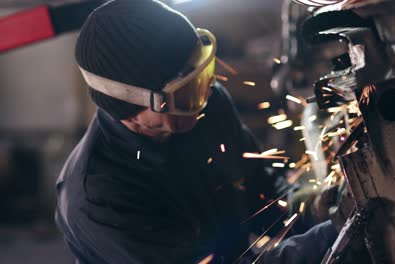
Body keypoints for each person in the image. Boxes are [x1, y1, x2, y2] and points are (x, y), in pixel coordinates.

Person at [55, 0, 337, 263]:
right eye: (188, 92)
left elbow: (260, 189)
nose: (204, 97)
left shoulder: (208, 106)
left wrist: (314, 208)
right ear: (131, 105)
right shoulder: (100, 197)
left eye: (202, 74)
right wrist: (322, 242)